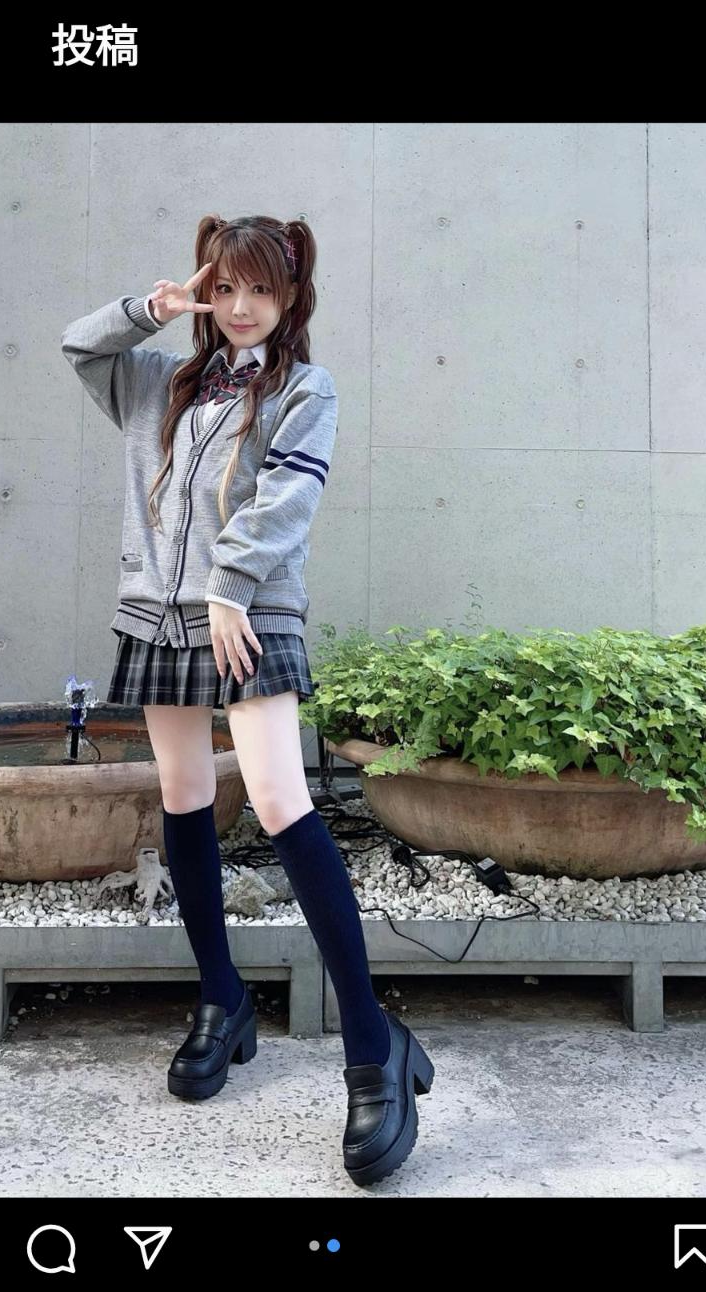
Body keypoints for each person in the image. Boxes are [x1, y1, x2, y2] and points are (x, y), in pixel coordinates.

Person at [60, 214, 434, 1186]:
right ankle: (222, 999)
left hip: (249, 613)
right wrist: (154, 308)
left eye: (259, 289)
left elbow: (288, 496)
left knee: (279, 802)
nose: (239, 307)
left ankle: (372, 1044)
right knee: (184, 795)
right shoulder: (159, 381)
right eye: (222, 288)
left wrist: (229, 586)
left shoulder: (305, 388)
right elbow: (79, 345)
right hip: (158, 615)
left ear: (291, 294)